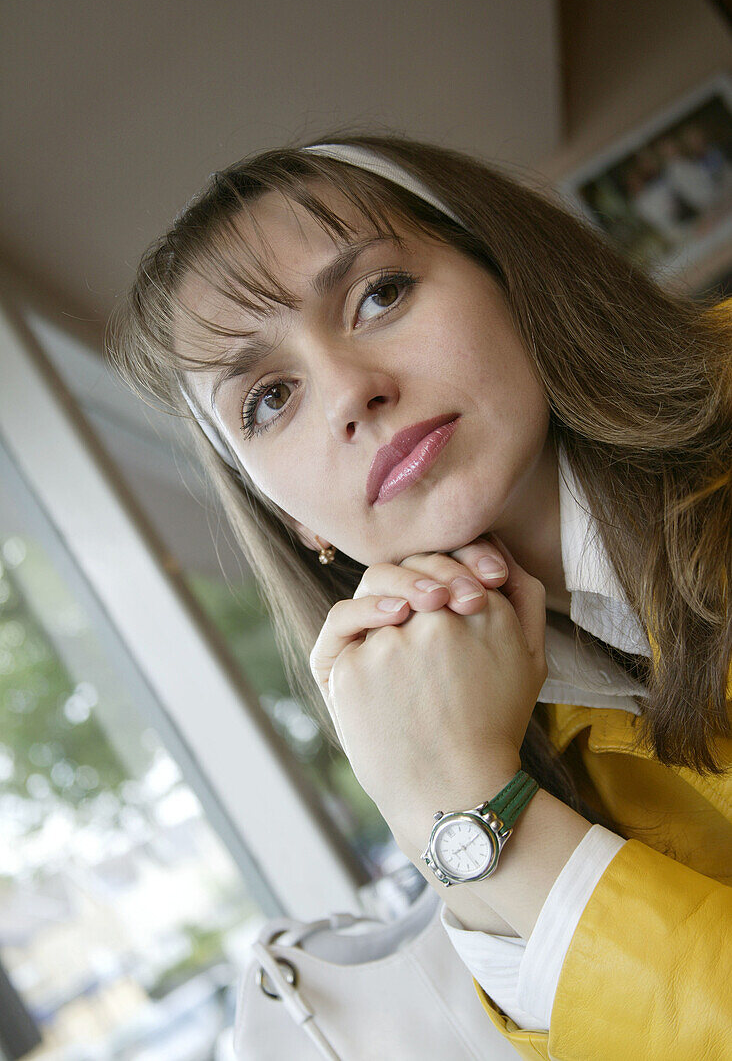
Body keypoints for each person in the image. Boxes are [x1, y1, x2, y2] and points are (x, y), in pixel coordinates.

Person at [106, 133, 732, 1060]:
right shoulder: (471, 713)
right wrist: (440, 798)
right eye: (270, 400)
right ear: (294, 523)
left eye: (379, 295)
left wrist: (478, 815)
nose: (351, 392)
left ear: (513, 273)